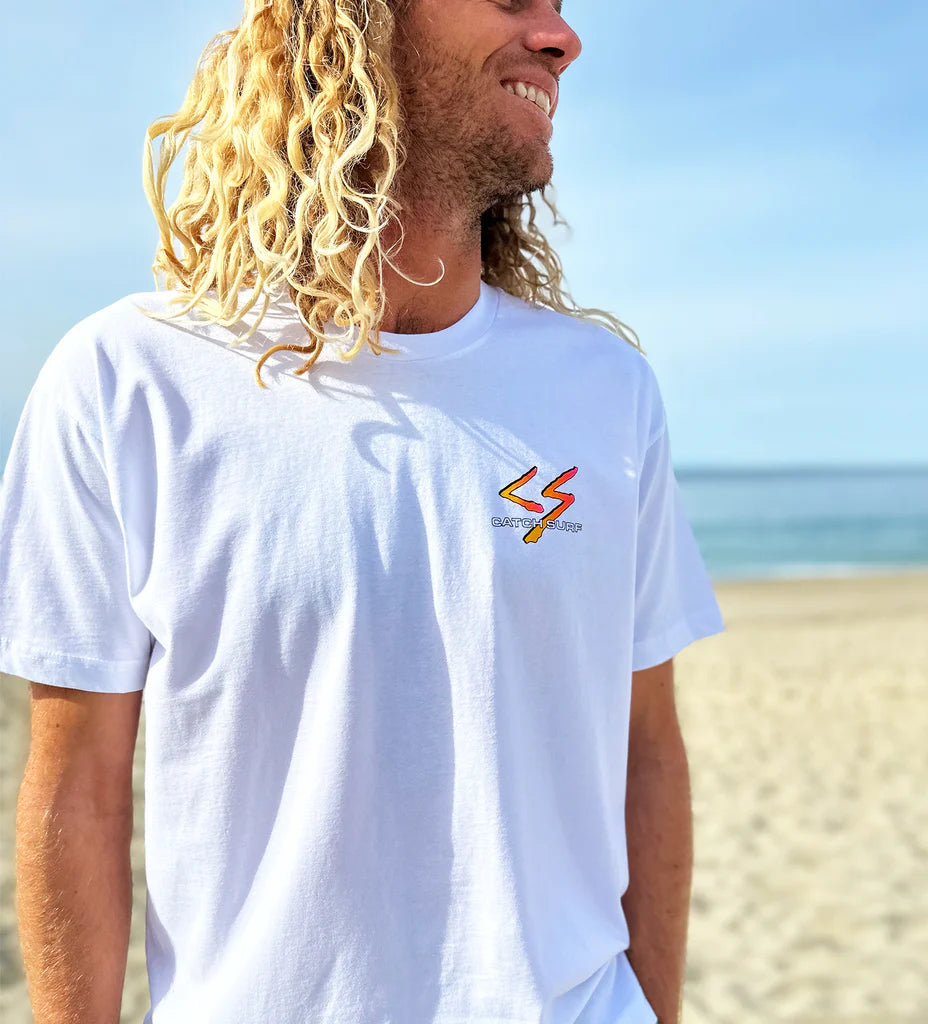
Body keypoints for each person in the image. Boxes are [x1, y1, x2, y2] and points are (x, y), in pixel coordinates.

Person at [0, 0, 725, 1021]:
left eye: (562, 6)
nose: (562, 37)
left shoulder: (605, 391)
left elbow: (645, 746)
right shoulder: (130, 381)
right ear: (356, 19)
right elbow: (76, 785)